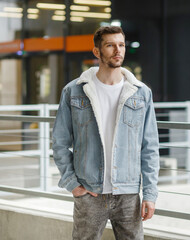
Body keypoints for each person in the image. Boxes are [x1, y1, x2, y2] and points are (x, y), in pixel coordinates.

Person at [52, 26, 160, 240]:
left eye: (121, 45)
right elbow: (60, 142)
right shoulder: (74, 91)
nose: (117, 50)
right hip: (90, 192)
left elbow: (150, 147)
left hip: (128, 193)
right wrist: (72, 184)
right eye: (110, 45)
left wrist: (149, 193)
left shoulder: (141, 93)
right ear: (97, 52)